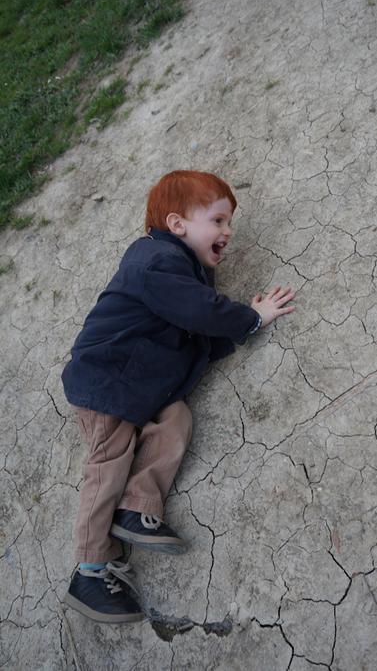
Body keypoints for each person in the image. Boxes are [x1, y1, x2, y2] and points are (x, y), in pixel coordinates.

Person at [61, 170, 295, 623]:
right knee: (108, 459)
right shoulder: (153, 260)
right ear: (177, 224)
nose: (228, 232)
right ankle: (89, 570)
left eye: (230, 223)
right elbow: (200, 313)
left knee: (177, 421)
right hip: (106, 379)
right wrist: (250, 317)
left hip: (143, 386)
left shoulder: (187, 277)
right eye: (219, 221)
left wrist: (238, 333)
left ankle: (136, 508)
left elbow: (197, 338)